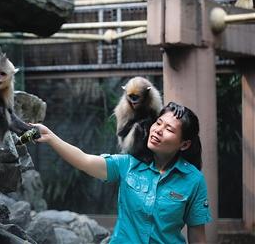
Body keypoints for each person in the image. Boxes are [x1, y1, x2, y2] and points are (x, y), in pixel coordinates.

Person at [32, 102, 212, 243]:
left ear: (185, 144)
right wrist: (50, 137)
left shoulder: (193, 180)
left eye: (169, 129)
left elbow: (197, 238)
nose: (158, 130)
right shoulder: (127, 164)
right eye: (158, 123)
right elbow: (84, 161)